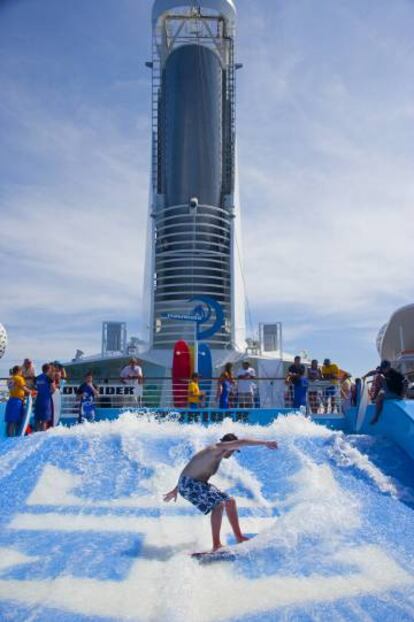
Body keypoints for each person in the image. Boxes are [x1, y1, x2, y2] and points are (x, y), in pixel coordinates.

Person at [163, 433, 278, 552]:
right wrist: (265, 443)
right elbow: (243, 441)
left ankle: (239, 537)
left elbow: (192, 468)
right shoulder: (216, 448)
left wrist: (175, 489)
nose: (233, 453)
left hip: (196, 484)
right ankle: (216, 544)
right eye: (233, 450)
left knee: (230, 501)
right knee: (218, 505)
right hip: (190, 484)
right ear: (230, 446)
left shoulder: (216, 455)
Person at [364, 360, 407, 425]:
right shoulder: (382, 370)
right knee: (379, 376)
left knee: (380, 396)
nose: (383, 370)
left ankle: (376, 417)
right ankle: (377, 397)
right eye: (382, 368)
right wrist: (364, 376)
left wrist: (402, 395)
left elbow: (405, 382)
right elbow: (372, 372)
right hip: (389, 391)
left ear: (389, 367)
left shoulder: (396, 373)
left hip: (397, 393)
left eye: (385, 368)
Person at [5, 366, 32, 437]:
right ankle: (12, 437)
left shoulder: (9, 379)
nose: (22, 373)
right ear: (18, 371)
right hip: (17, 401)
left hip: (10, 400)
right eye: (21, 371)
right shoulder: (19, 378)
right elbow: (23, 388)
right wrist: (31, 391)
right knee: (14, 420)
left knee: (10, 420)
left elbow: (15, 388)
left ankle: (9, 436)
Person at [34, 363, 56, 432]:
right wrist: (50, 393)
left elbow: (34, 388)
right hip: (46, 400)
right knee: (44, 420)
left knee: (37, 418)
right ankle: (42, 434)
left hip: (38, 399)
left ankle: (36, 433)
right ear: (48, 369)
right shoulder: (48, 378)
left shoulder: (37, 378)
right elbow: (53, 389)